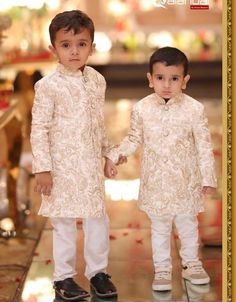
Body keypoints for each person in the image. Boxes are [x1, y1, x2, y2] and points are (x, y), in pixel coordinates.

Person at [105, 47, 217, 291]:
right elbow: (133, 139)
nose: (167, 84)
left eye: (174, 78)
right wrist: (115, 155)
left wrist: (207, 177)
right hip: (156, 181)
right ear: (150, 79)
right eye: (160, 78)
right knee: (160, 227)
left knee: (188, 224)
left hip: (185, 181)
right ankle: (163, 268)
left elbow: (204, 146)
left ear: (184, 81)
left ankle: (191, 264)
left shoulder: (194, 109)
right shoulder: (142, 109)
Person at [30, 10, 119, 301]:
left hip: (90, 166)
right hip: (61, 168)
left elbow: (98, 123)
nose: (74, 51)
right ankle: (63, 278)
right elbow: (39, 128)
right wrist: (43, 168)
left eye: (82, 44)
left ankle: (98, 273)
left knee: (97, 219)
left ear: (92, 47)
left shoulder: (97, 81)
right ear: (53, 49)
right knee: (64, 222)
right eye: (66, 45)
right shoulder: (47, 87)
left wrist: (108, 154)